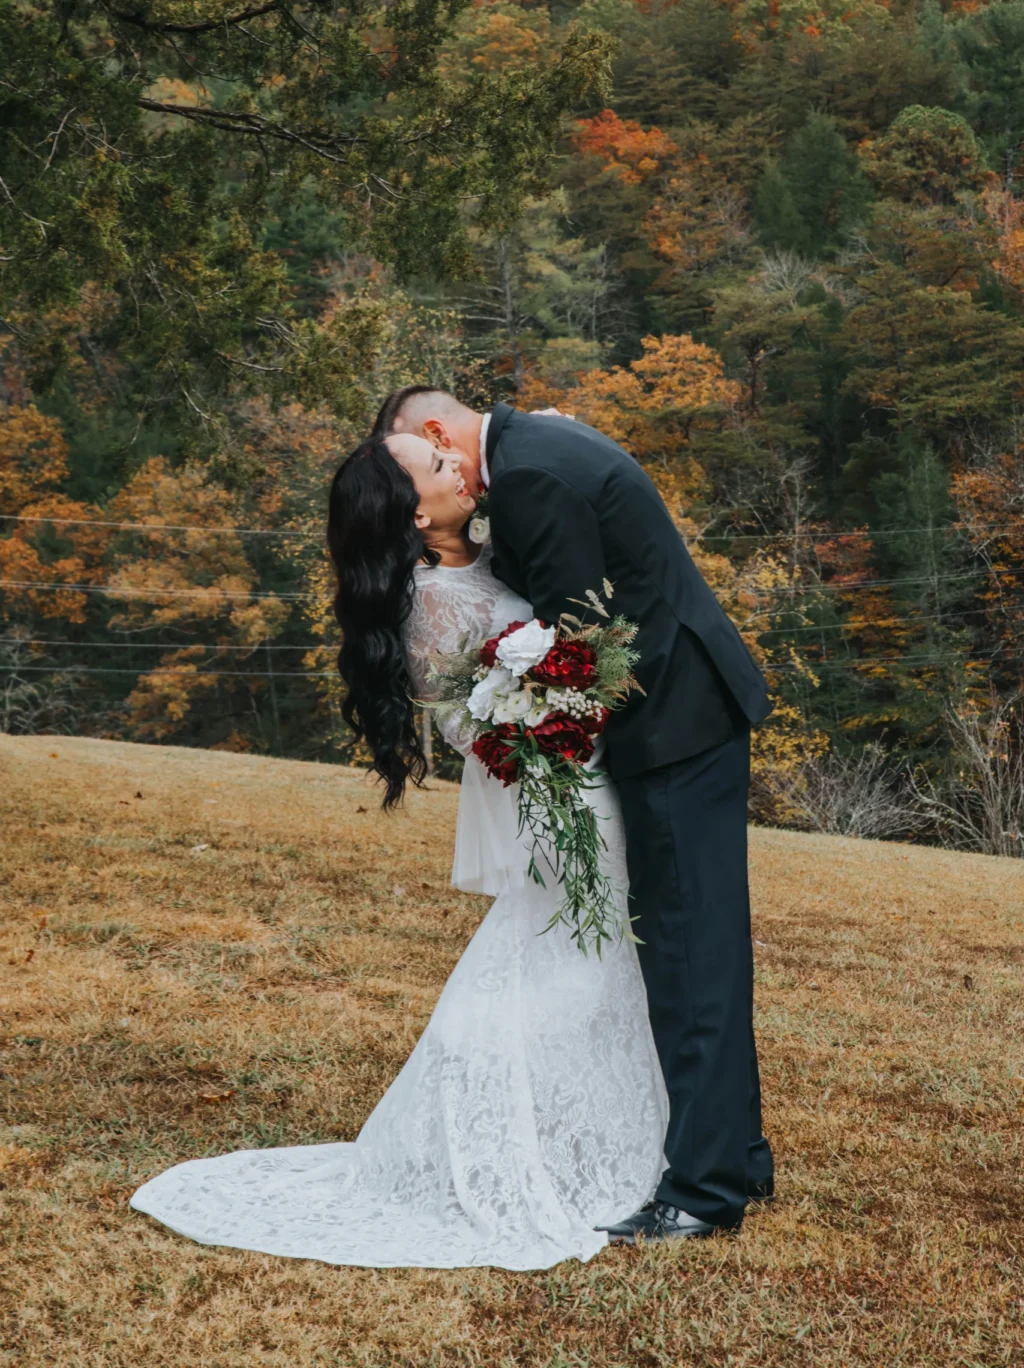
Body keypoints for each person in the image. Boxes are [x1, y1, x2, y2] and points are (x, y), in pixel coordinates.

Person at [129, 432, 668, 1270]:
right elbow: (469, 718)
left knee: (583, 959)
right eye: (438, 464)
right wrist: (545, 701)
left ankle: (605, 1127)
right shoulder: (431, 602)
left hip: (583, 770)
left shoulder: (491, 553)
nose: (461, 465)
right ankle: (536, 1144)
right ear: (417, 511)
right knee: (572, 956)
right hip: (561, 790)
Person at [371, 388, 775, 1242]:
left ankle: (705, 1191)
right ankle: (735, 1153)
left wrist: (539, 704)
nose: (447, 478)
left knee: (688, 954)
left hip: (671, 722)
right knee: (700, 947)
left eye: (432, 460)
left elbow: (576, 641)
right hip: (681, 710)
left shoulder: (527, 476)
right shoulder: (537, 444)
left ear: (439, 434)